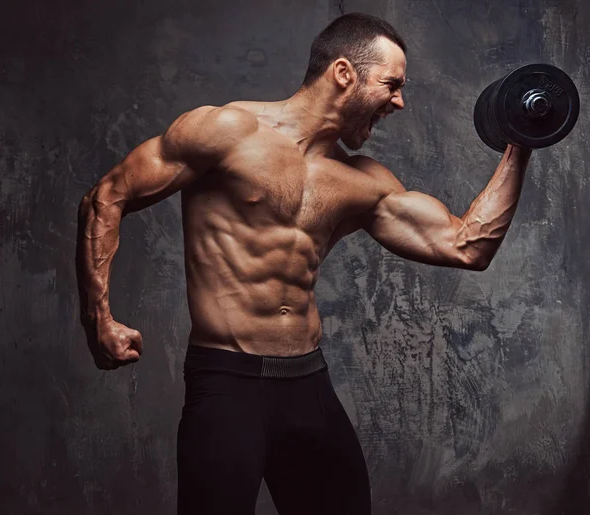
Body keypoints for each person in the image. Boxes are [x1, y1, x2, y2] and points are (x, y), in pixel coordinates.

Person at [76, 12, 531, 515]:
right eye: (392, 85)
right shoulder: (226, 131)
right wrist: (98, 319)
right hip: (228, 385)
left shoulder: (364, 180)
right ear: (343, 74)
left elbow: (468, 245)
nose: (400, 101)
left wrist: (520, 139)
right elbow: (107, 197)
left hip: (308, 386)